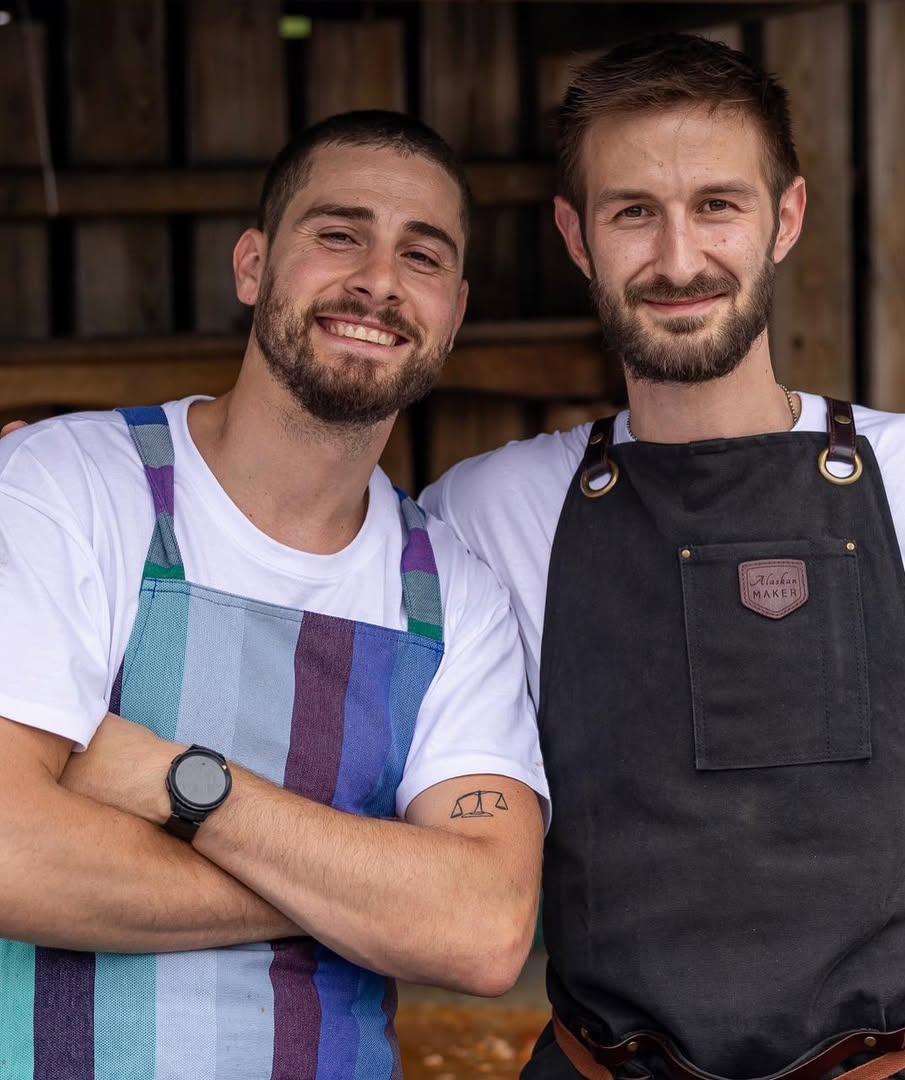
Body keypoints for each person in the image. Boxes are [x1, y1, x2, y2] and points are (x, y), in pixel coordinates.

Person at [420, 34, 905, 1080]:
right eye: (634, 211)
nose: (679, 260)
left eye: (718, 206)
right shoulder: (488, 513)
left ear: (787, 218)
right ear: (577, 238)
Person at [0, 110, 547, 1080]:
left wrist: (166, 781)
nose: (378, 281)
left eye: (421, 257)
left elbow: (482, 930)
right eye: (338, 234)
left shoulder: (456, 595)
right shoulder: (69, 486)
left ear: (455, 314)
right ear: (252, 267)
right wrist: (357, 883)